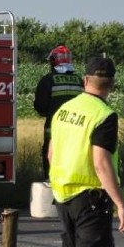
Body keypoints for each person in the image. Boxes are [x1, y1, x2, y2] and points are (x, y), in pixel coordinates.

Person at [48, 56, 124, 247]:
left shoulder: (64, 110)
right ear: (112, 84)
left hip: (63, 196)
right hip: (90, 199)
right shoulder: (104, 115)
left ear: (85, 80)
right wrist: (121, 202)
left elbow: (52, 155)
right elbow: (101, 163)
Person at [34, 45, 84, 175]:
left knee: (51, 167)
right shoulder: (80, 81)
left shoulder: (47, 81)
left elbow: (41, 108)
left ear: (53, 61)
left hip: (53, 133)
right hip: (77, 132)